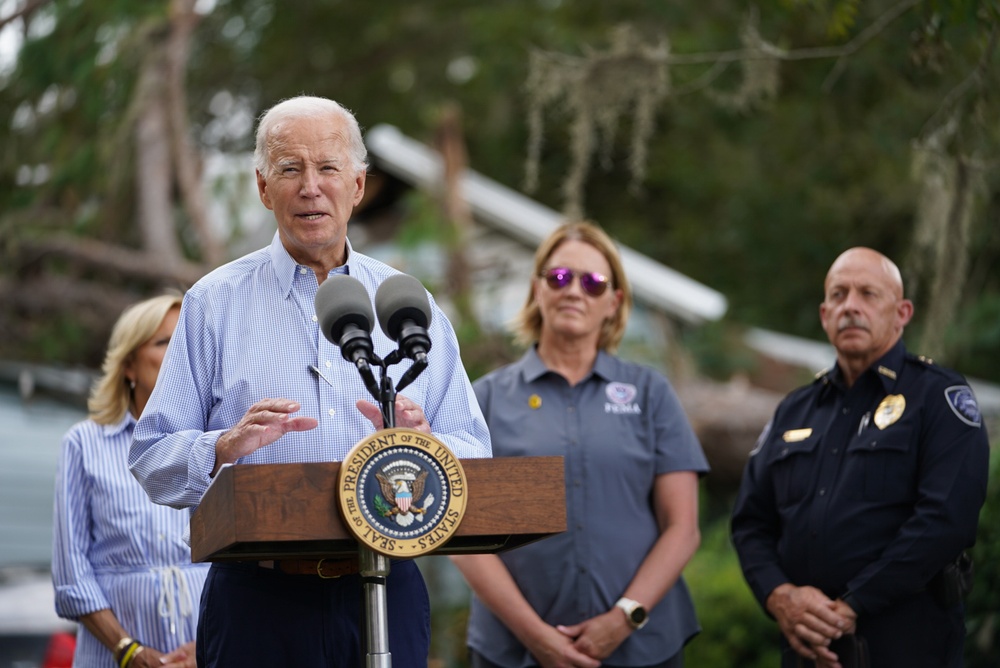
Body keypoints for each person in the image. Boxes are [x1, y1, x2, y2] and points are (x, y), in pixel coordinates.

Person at [128, 95, 492, 668]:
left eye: (327, 168)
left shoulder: (408, 305)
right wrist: (223, 446)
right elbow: (152, 458)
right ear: (262, 187)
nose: (310, 187)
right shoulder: (213, 303)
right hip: (258, 599)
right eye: (290, 169)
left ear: (358, 186)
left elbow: (475, 451)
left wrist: (429, 449)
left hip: (386, 587)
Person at [450, 221, 709, 668]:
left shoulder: (650, 393)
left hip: (642, 648)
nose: (574, 291)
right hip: (514, 652)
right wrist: (538, 639)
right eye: (559, 277)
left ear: (614, 302)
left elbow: (682, 528)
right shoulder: (485, 398)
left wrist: (624, 618)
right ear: (536, 289)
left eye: (593, 283)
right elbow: (461, 533)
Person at [731, 247, 990, 668]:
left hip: (907, 647)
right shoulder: (794, 410)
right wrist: (780, 596)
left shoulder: (937, 397)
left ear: (902, 312)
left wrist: (852, 606)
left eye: (868, 294)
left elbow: (946, 521)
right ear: (823, 313)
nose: (850, 306)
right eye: (838, 295)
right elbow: (750, 523)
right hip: (806, 649)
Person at [53, 294, 208, 668]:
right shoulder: (84, 444)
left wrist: (206, 645)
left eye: (185, 339)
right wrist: (128, 650)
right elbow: (71, 576)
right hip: (112, 656)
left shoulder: (217, 440)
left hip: (209, 651)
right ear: (129, 367)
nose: (178, 351)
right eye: (163, 341)